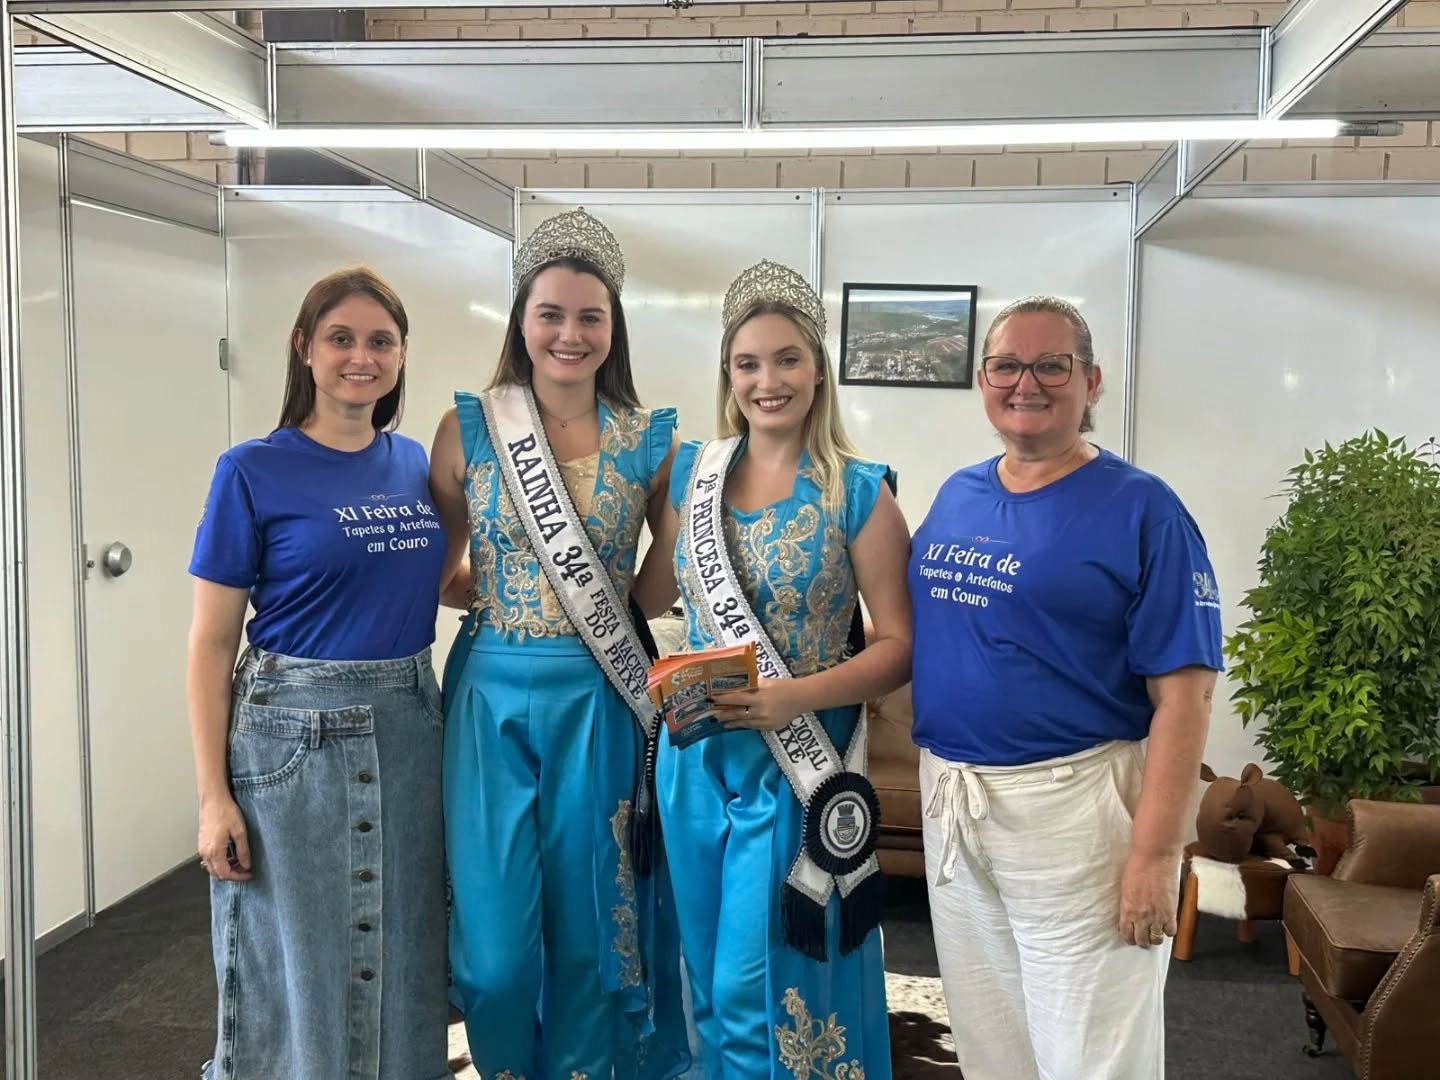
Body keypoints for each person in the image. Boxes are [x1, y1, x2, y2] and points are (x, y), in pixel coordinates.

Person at [909, 295, 1223, 1079]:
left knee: (1090, 1055)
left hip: (1075, 810)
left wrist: (1156, 854)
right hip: (953, 801)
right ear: (982, 380)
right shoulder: (958, 494)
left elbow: (1185, 697)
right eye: (1007, 366)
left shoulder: (1143, 508)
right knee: (992, 1048)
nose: (1027, 383)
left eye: (1052, 365)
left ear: (1092, 382)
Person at [429, 208, 690, 1079]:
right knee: (495, 960)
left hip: (600, 699)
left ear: (614, 329)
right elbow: (439, 566)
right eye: (551, 314)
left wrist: (592, 617)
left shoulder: (654, 441)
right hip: (488, 701)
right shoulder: (468, 427)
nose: (569, 334)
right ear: (521, 321)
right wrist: (509, 600)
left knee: (591, 936)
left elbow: (662, 580)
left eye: (590, 317)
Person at [186, 268, 450, 1080]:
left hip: (408, 728)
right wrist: (213, 798)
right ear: (304, 348)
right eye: (341, 338)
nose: (361, 357)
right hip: (289, 739)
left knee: (404, 952)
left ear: (401, 356)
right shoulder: (251, 470)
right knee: (294, 963)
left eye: (381, 341)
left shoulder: (412, 463)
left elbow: (429, 580)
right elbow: (210, 644)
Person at [650, 259, 912, 1077]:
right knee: (700, 975)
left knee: (753, 984)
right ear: (728, 376)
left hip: (797, 762)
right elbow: (654, 592)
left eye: (787, 359)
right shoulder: (692, 474)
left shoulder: (859, 492)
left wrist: (793, 696)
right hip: (695, 757)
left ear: (818, 370)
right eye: (748, 364)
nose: (768, 382)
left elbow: (900, 647)